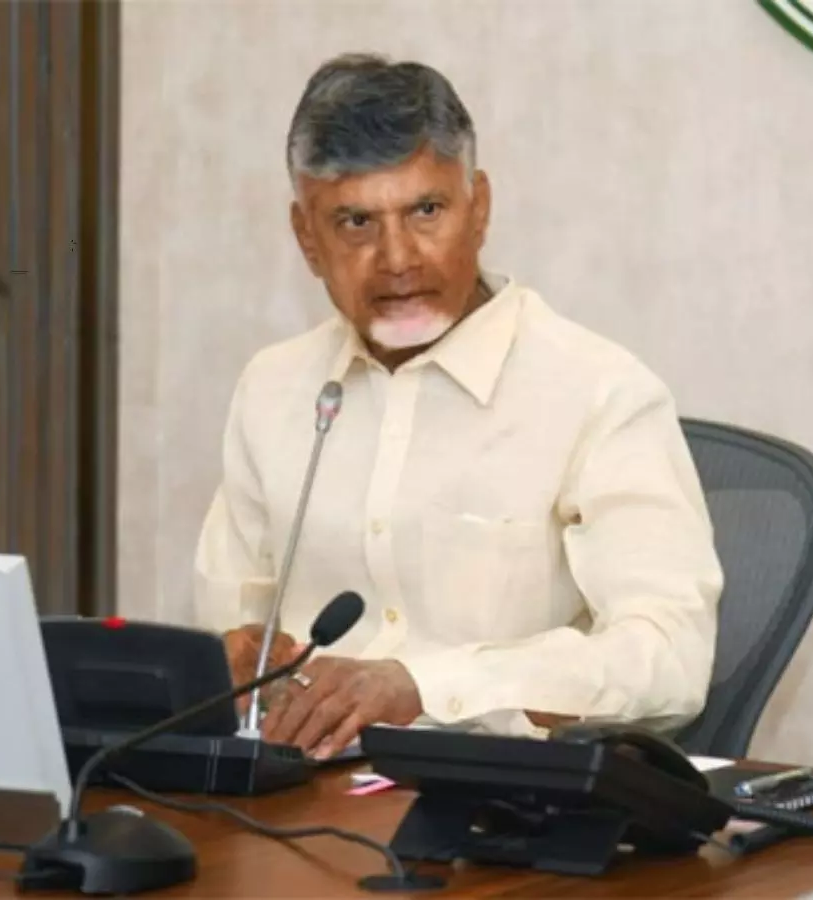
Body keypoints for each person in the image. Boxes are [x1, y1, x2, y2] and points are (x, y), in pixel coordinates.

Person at [192, 53, 723, 760]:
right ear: (306, 239)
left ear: (480, 210)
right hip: (297, 796)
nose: (398, 257)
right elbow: (230, 624)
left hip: (496, 812)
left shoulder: (599, 391)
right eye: (354, 222)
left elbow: (669, 659)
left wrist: (426, 685)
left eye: (427, 211)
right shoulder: (273, 387)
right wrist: (233, 664)